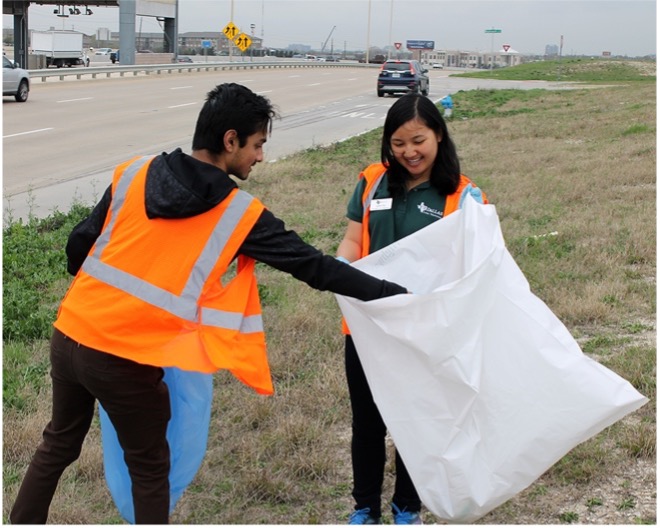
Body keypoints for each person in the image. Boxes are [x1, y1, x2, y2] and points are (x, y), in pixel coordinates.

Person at [9, 83, 409, 525]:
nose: (260, 157)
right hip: (125, 357)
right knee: (149, 469)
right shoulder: (239, 214)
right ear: (230, 140)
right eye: (257, 145)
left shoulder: (134, 172)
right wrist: (395, 295)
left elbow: (78, 244)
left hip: (69, 334)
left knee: (58, 444)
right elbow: (313, 266)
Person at [336, 92, 488, 525]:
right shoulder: (371, 180)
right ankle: (364, 506)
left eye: (417, 140)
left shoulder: (464, 195)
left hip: (424, 329)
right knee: (367, 422)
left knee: (415, 421)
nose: (408, 152)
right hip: (367, 326)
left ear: (438, 135)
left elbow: (479, 263)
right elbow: (352, 238)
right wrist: (341, 266)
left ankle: (407, 506)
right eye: (397, 143)